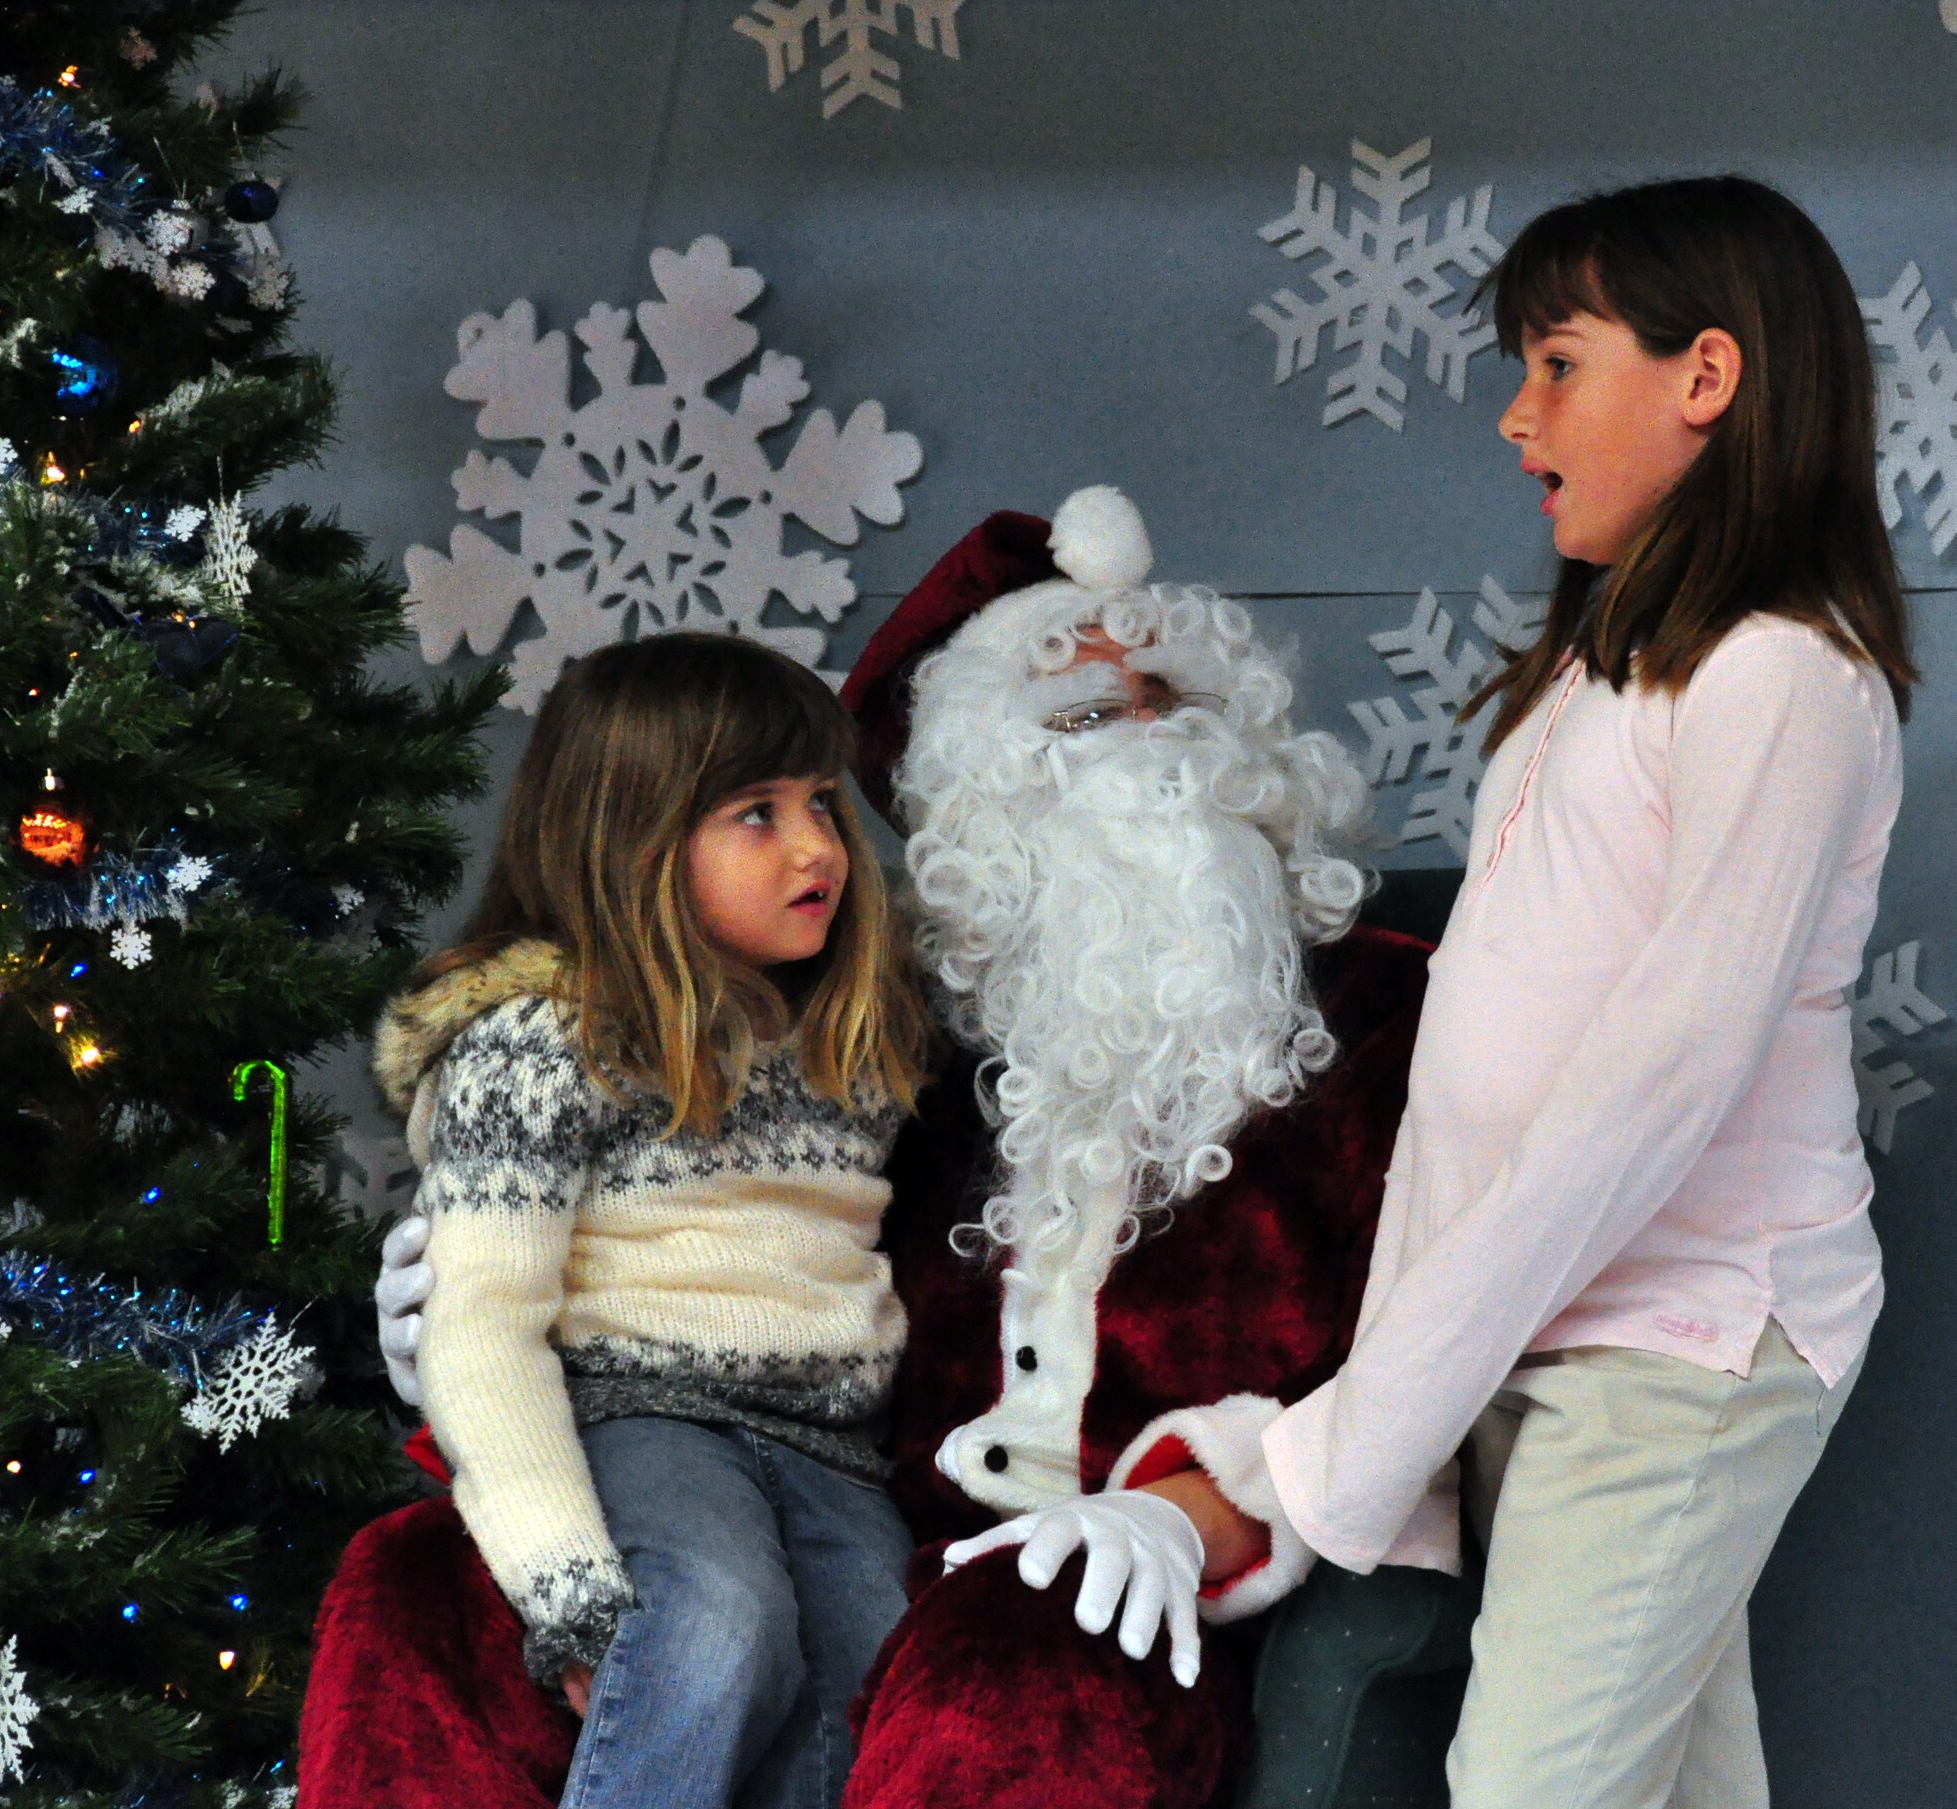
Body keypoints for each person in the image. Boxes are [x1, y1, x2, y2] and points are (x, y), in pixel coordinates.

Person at [356, 487, 1442, 1809]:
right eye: (1091, 719)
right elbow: (587, 1252)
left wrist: (1197, 1502)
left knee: (947, 1671)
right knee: (453, 1587)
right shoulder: (913, 1026)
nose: (1157, 751)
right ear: (989, 796)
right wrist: (476, 1295)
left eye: (1179, 704)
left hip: (1098, 1571)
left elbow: (1451, 1346)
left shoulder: (1390, 1017)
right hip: (779, 1470)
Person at [1140, 176, 1917, 1808]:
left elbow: (1655, 1083)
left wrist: (1336, 1450)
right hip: (1558, 1321)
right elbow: (1476, 1090)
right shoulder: (1596, 674)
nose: (1515, 416)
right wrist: (1414, 1399)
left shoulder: (1780, 673)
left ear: (1706, 376)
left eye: (1556, 363)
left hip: (1682, 1330)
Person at [368, 632, 933, 1809]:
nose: (818, 847)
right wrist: (563, 1585)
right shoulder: (540, 1039)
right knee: (716, 1619)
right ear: (631, 841)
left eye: (822, 805)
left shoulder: (845, 1034)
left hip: (832, 1445)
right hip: (641, 1410)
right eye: (755, 815)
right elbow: (479, 1332)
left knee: (866, 1672)